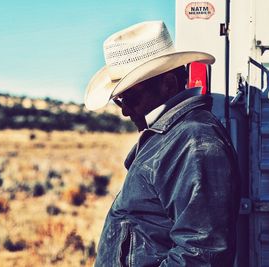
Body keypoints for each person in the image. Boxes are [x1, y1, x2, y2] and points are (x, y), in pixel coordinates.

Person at [84, 21, 241, 267]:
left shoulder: (193, 140)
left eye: (131, 97)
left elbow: (202, 254)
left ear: (168, 83)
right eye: (119, 101)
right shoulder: (173, 136)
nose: (125, 111)